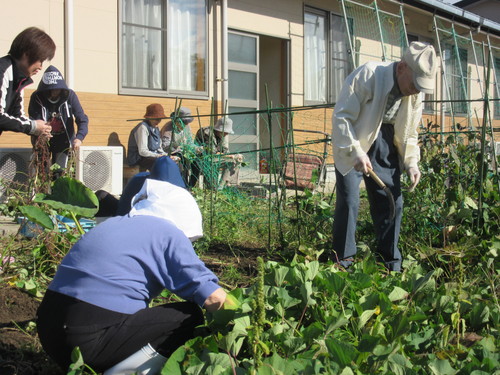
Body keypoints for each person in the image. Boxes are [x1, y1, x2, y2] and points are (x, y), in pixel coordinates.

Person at [36, 178, 227, 374]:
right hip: (88, 340)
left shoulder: (113, 225)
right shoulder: (167, 232)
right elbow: (213, 297)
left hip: (50, 334)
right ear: (182, 219)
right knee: (189, 316)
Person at [329, 41, 437, 272]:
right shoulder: (369, 74)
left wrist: (411, 162)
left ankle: (390, 264)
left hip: (386, 143)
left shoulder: (415, 95)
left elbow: (409, 131)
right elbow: (341, 117)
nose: (417, 90)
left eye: (422, 86)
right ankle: (343, 263)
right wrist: (356, 150)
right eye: (415, 83)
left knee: (391, 202)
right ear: (401, 68)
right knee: (349, 202)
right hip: (354, 139)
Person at [28, 65, 89, 169]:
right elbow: (34, 120)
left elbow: (82, 119)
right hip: (42, 142)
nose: (55, 92)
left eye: (57, 89)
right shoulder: (37, 97)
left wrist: (79, 138)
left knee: (59, 171)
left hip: (63, 142)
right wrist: (41, 133)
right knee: (41, 170)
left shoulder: (70, 96)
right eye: (51, 89)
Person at [0, 27, 55, 138]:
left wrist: (40, 127)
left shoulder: (20, 79)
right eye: (40, 60)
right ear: (27, 54)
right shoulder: (3, 70)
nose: (40, 67)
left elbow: (17, 115)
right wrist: (33, 126)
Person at [191, 116, 242, 189]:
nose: (227, 134)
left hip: (214, 159)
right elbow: (212, 153)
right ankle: (219, 188)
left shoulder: (220, 136)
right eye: (226, 132)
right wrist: (229, 156)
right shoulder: (207, 133)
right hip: (203, 160)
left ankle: (225, 185)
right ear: (219, 130)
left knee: (235, 161)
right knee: (230, 160)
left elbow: (224, 150)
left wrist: (234, 156)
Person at [160, 107, 196, 186]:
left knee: (197, 161)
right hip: (171, 153)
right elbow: (165, 146)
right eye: (183, 122)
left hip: (184, 152)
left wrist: (195, 148)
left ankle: (191, 185)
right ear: (177, 121)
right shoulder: (168, 128)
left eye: (186, 122)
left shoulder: (187, 127)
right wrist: (178, 148)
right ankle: (181, 186)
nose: (185, 125)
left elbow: (190, 142)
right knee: (181, 162)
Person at [127, 103, 168, 171]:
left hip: (151, 156)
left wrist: (166, 155)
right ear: (149, 117)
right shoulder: (142, 127)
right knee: (159, 163)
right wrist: (158, 156)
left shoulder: (157, 128)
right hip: (139, 158)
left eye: (160, 119)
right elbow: (142, 151)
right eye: (156, 119)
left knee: (170, 162)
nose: (158, 121)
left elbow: (159, 149)